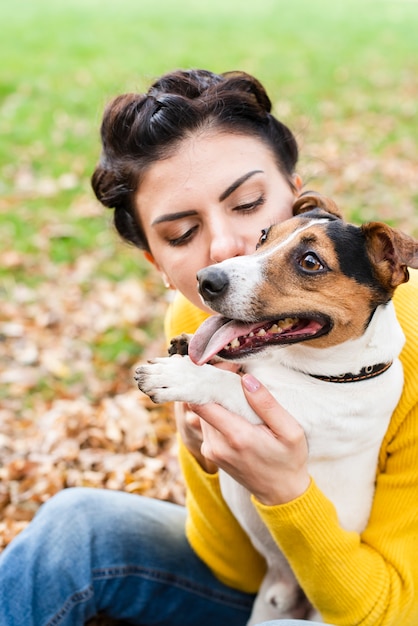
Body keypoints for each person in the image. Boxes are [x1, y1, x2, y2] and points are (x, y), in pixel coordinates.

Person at [0, 69, 416, 626]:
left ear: (298, 199)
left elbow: (390, 610)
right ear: (155, 261)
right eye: (180, 235)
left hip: (359, 602)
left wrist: (287, 491)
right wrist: (204, 451)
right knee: (73, 526)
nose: (223, 251)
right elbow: (230, 565)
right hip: (250, 580)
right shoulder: (214, 311)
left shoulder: (391, 350)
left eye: (248, 204)